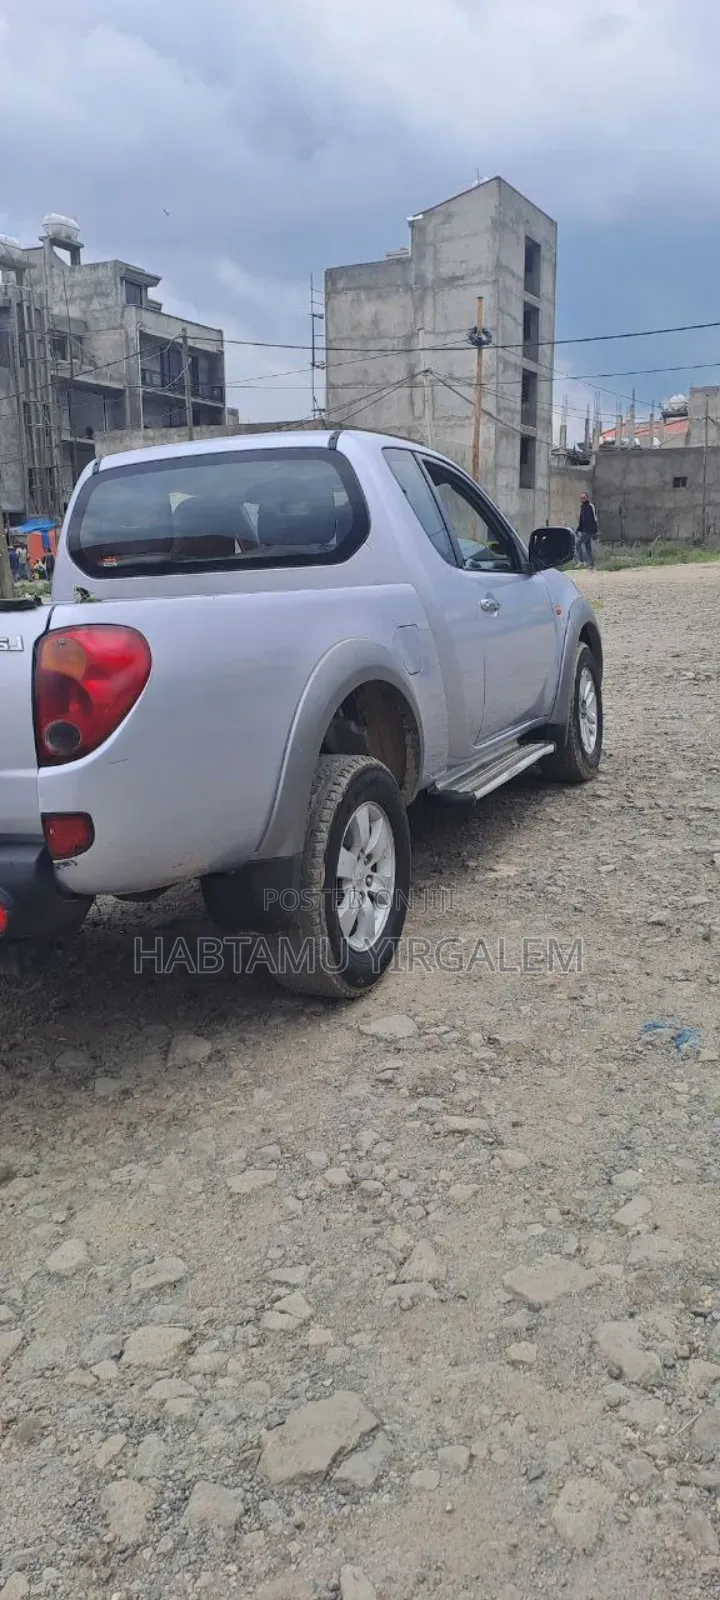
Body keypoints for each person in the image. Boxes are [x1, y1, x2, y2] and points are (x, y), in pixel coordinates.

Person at [576, 492, 598, 570]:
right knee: (588, 547)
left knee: (578, 543)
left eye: (584, 497)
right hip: (584, 530)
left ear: (587, 498)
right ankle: (591, 565)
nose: (582, 499)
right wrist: (578, 529)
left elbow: (595, 519)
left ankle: (582, 561)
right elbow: (581, 520)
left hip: (589, 530)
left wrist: (595, 531)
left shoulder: (591, 506)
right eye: (581, 498)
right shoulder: (582, 507)